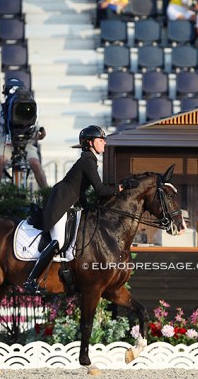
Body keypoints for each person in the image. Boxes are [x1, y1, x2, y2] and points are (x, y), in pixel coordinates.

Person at [23, 125, 130, 294]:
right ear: (90, 143)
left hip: (68, 202)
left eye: (104, 140)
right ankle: (31, 280)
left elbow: (80, 190)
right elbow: (101, 190)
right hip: (60, 203)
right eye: (100, 140)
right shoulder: (88, 160)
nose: (104, 143)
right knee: (58, 241)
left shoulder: (89, 160)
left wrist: (88, 207)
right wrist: (120, 188)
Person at [0, 78, 48, 190]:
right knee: (0, 161)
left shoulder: (32, 108)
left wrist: (41, 134)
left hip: (26, 142)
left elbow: (36, 130)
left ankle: (48, 194)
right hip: (5, 143)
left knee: (36, 164)